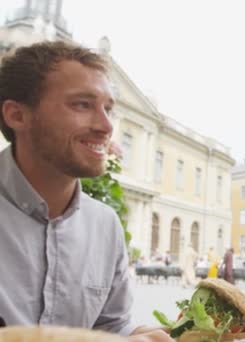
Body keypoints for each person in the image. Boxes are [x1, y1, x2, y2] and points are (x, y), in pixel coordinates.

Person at [0, 41, 171, 341]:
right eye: (82, 104)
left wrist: (147, 335)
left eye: (107, 109)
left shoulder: (105, 225)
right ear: (17, 115)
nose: (106, 126)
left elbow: (109, 325)